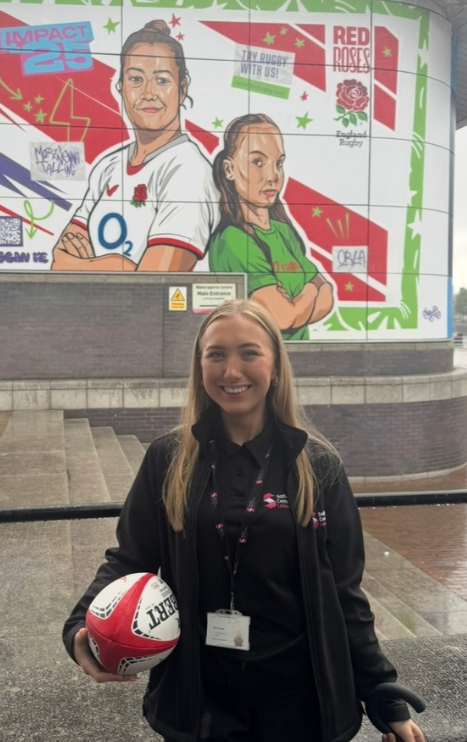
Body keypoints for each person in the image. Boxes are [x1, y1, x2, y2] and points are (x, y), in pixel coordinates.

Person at [63, 299, 426, 742]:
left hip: (299, 707)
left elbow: (345, 594)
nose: (231, 371)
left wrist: (384, 696)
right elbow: (129, 559)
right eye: (216, 354)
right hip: (201, 706)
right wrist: (81, 626)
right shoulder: (167, 459)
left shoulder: (319, 467)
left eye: (249, 353)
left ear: (275, 365)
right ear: (200, 367)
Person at [52, 19, 219, 272]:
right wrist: (117, 265)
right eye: (136, 79)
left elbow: (154, 283)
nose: (148, 93)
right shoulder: (108, 166)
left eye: (162, 80)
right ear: (121, 88)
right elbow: (59, 261)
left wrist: (90, 265)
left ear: (182, 90)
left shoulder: (189, 171)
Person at [208, 115, 333, 340]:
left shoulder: (282, 230)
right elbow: (283, 317)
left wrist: (299, 302)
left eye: (279, 163)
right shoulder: (233, 240)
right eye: (257, 162)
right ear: (229, 169)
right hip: (263, 363)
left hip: (298, 360)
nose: (272, 176)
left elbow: (328, 297)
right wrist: (312, 290)